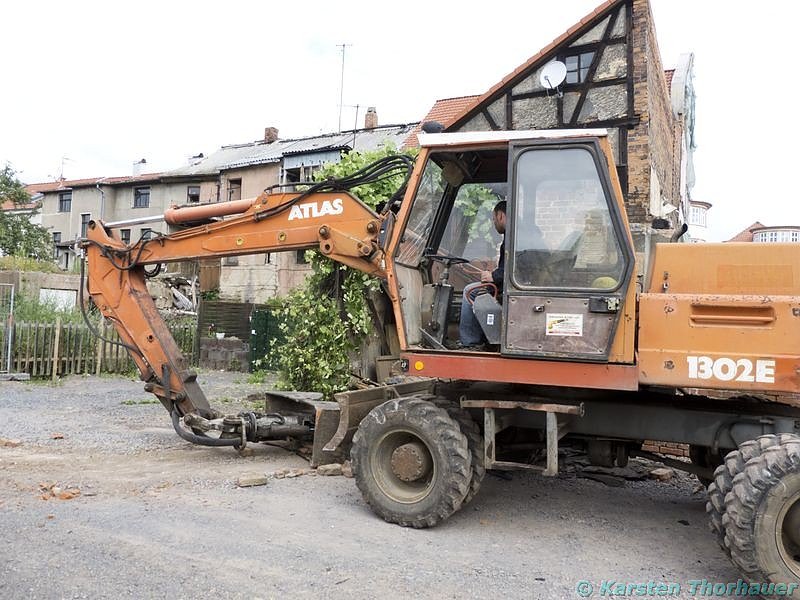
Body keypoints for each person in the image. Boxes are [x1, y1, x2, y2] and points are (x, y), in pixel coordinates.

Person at [458, 200, 506, 349]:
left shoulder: (513, 239)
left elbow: (515, 268)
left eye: (493, 219)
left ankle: (471, 343)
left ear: (500, 216)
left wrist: (494, 276)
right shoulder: (519, 235)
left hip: (508, 286)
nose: (494, 223)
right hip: (507, 282)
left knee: (469, 292)